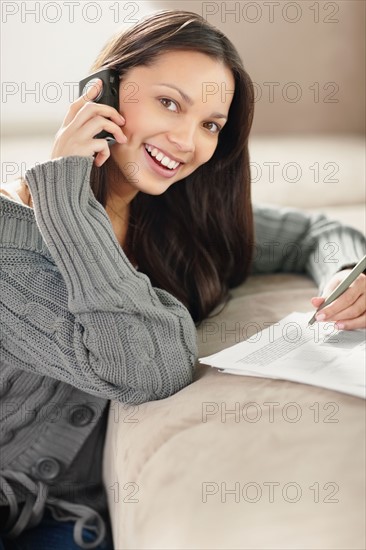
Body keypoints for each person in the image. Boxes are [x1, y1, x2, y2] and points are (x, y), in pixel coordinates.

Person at [1, 9, 365, 550]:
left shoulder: (173, 215)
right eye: (169, 103)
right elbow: (148, 369)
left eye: (210, 124)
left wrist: (346, 276)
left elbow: (316, 231)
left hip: (72, 524)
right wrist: (70, 207)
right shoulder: (11, 244)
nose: (187, 141)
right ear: (101, 94)